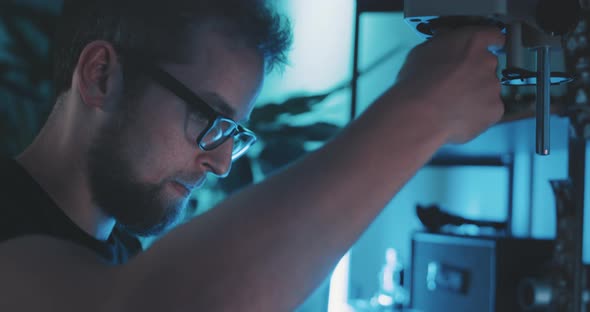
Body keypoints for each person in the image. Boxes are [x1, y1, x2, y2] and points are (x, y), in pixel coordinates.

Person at [0, 0, 504, 311]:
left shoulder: (116, 256)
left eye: (235, 134)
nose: (221, 163)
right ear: (100, 76)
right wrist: (424, 110)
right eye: (208, 119)